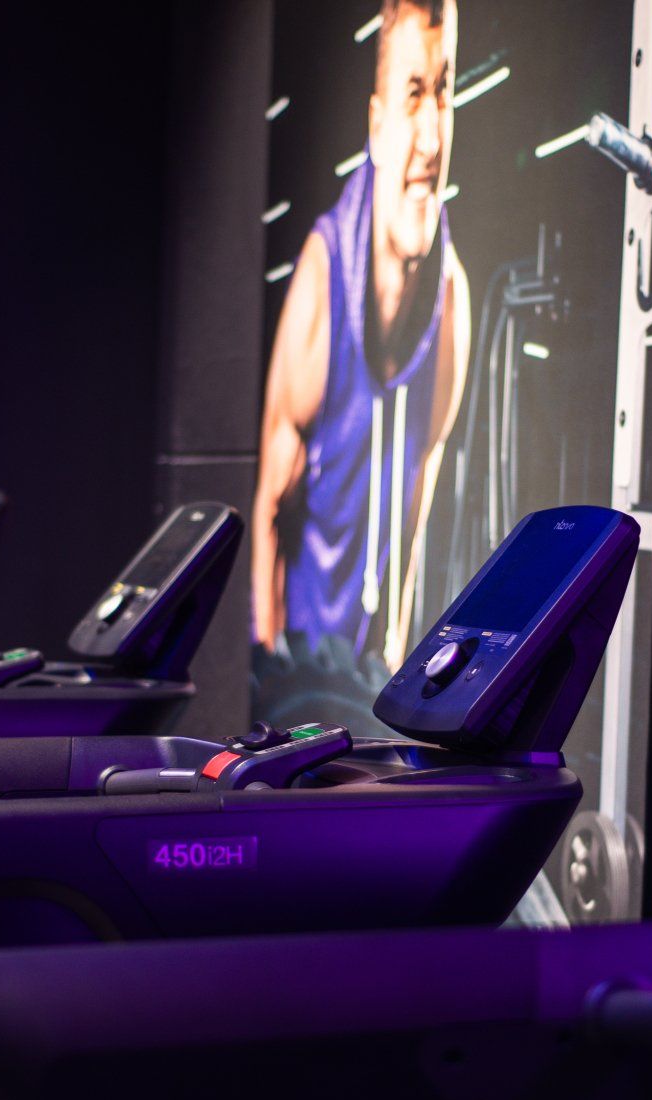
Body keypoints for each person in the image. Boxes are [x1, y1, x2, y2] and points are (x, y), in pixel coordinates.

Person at [251, 0, 472, 730]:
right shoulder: (323, 279)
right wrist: (265, 685)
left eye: (445, 93)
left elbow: (413, 522)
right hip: (294, 677)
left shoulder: (450, 299)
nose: (432, 137)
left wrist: (396, 674)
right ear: (377, 126)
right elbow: (269, 508)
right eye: (413, 95)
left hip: (370, 688)